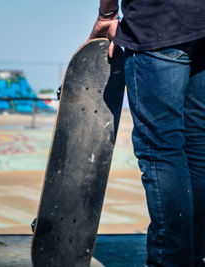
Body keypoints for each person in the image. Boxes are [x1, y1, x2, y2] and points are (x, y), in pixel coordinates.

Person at [89, 0, 205, 266]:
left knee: (161, 151)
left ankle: (171, 260)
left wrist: (106, 13)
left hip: (159, 24)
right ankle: (195, 254)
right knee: (198, 147)